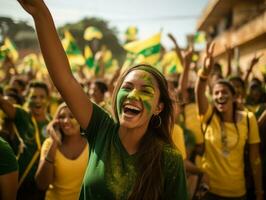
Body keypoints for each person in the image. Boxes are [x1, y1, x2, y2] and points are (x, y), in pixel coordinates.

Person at [17, 1, 188, 199]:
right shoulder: (101, 128)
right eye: (127, 87)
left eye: (145, 90)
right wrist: (40, 13)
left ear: (159, 108)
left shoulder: (169, 159)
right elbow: (64, 79)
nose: (133, 95)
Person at [195, 43, 264, 200]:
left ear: (234, 97)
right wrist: (205, 72)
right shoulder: (208, 116)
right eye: (216, 93)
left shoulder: (248, 119)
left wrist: (259, 192)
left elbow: (255, 158)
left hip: (238, 193)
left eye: (224, 92)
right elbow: (199, 90)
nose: (220, 95)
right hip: (209, 191)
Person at [0, 80, 51, 199]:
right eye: (33, 97)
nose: (38, 100)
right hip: (20, 184)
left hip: (42, 188)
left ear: (48, 99)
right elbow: (2, 103)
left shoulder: (53, 123)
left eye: (42, 97)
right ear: (27, 98)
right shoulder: (22, 116)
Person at [35, 103, 89, 200]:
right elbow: (41, 184)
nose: (66, 121)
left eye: (72, 116)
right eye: (61, 117)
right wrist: (54, 142)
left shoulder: (91, 144)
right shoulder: (49, 144)